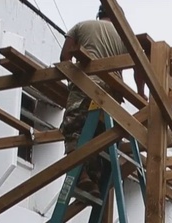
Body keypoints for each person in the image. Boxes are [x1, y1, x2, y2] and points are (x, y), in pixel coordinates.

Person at [59, 6, 145, 192]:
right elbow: (140, 67)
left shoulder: (81, 26)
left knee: (74, 129)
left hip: (86, 86)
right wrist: (140, 92)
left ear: (99, 14)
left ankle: (80, 174)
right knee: (100, 139)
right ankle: (94, 182)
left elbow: (65, 56)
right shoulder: (126, 38)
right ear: (119, 18)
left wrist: (72, 80)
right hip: (111, 97)